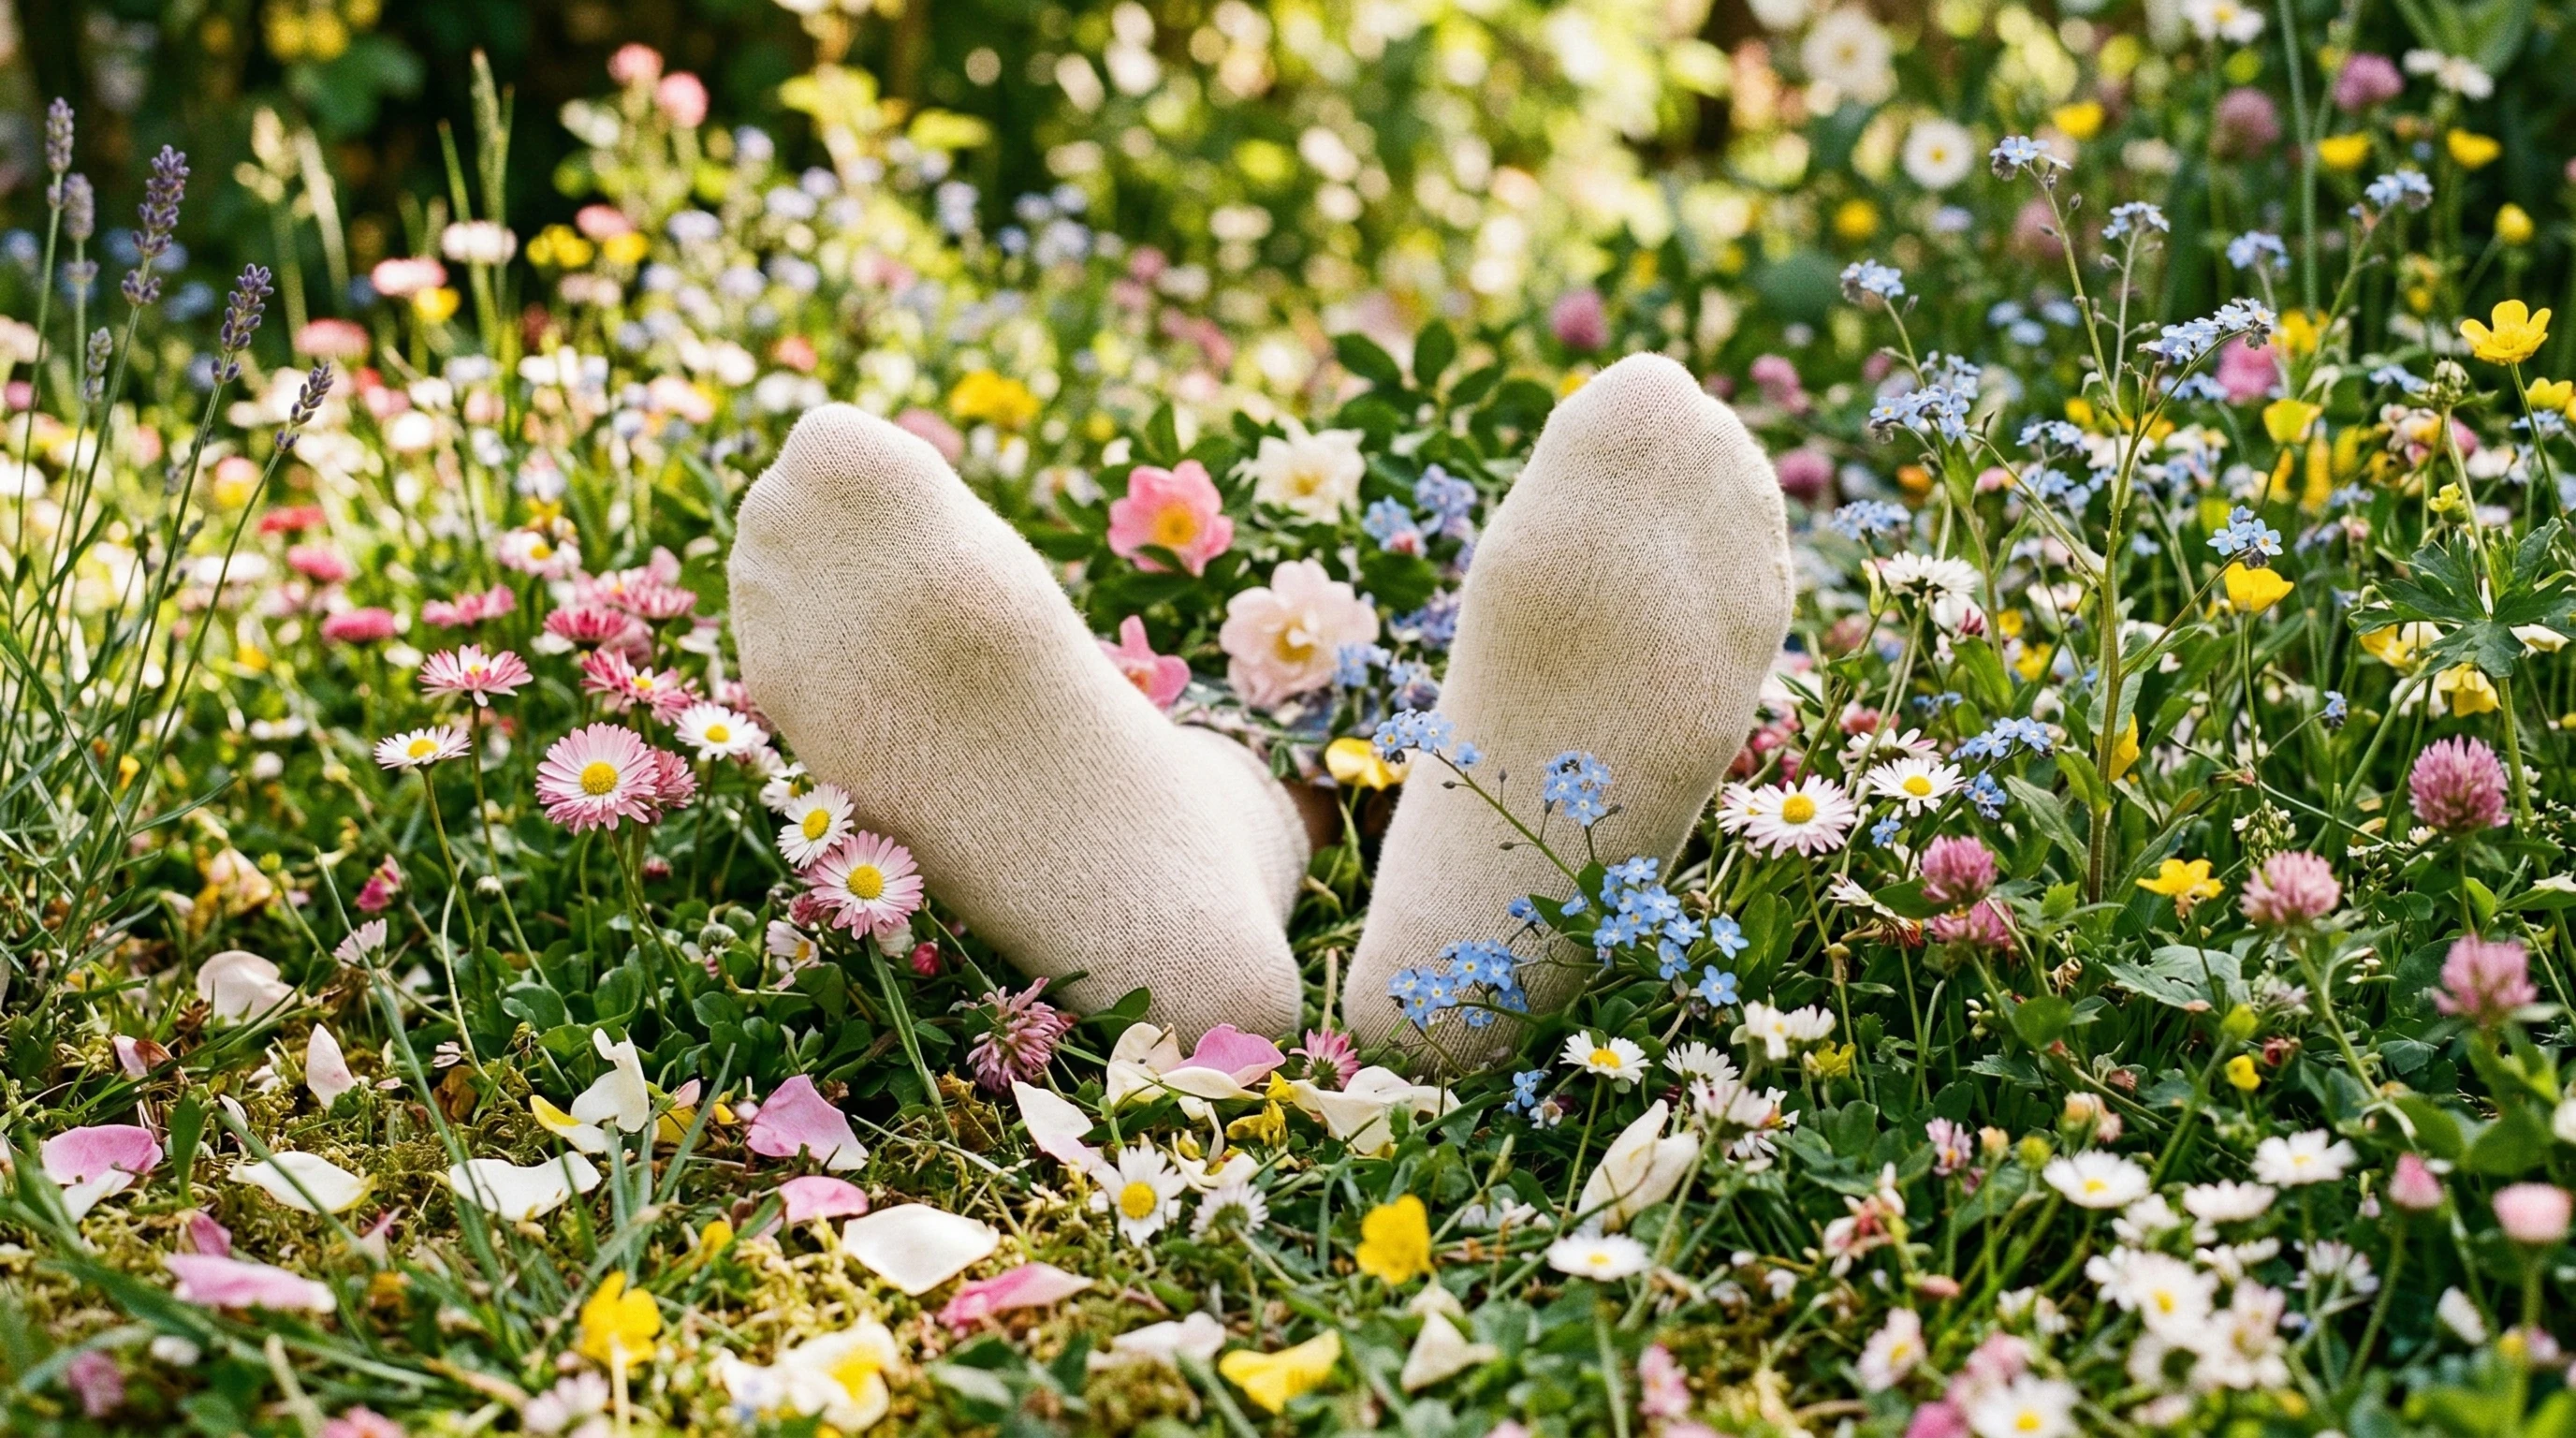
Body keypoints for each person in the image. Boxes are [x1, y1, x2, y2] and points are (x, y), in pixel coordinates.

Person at [728, 353, 1793, 1071]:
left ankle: (1209, 836)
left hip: (1260, 642)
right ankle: (1328, 858)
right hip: (1318, 620)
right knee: (1254, 687)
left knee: (1231, 692)